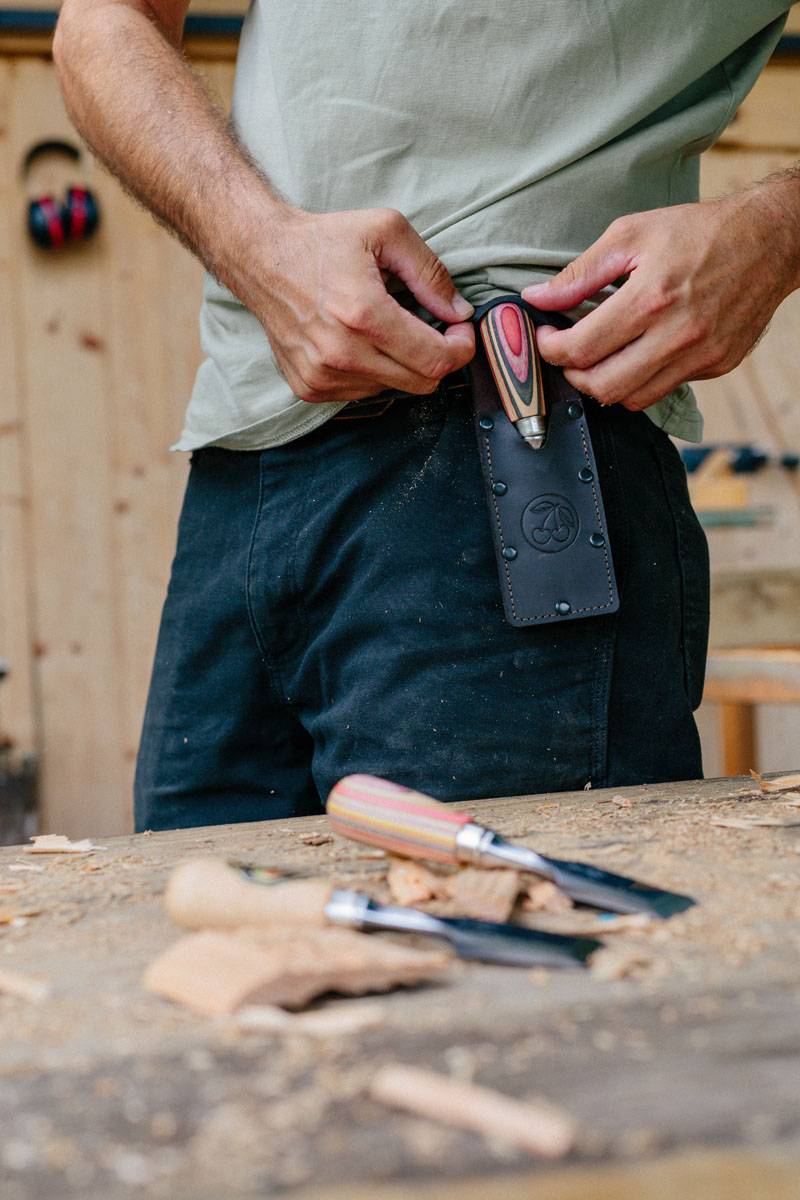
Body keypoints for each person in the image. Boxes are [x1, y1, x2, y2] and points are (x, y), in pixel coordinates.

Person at [53, 2, 799, 830]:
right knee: (212, 937)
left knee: (515, 937)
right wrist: (258, 246)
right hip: (245, 455)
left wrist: (777, 228)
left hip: (520, 458)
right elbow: (103, 21)